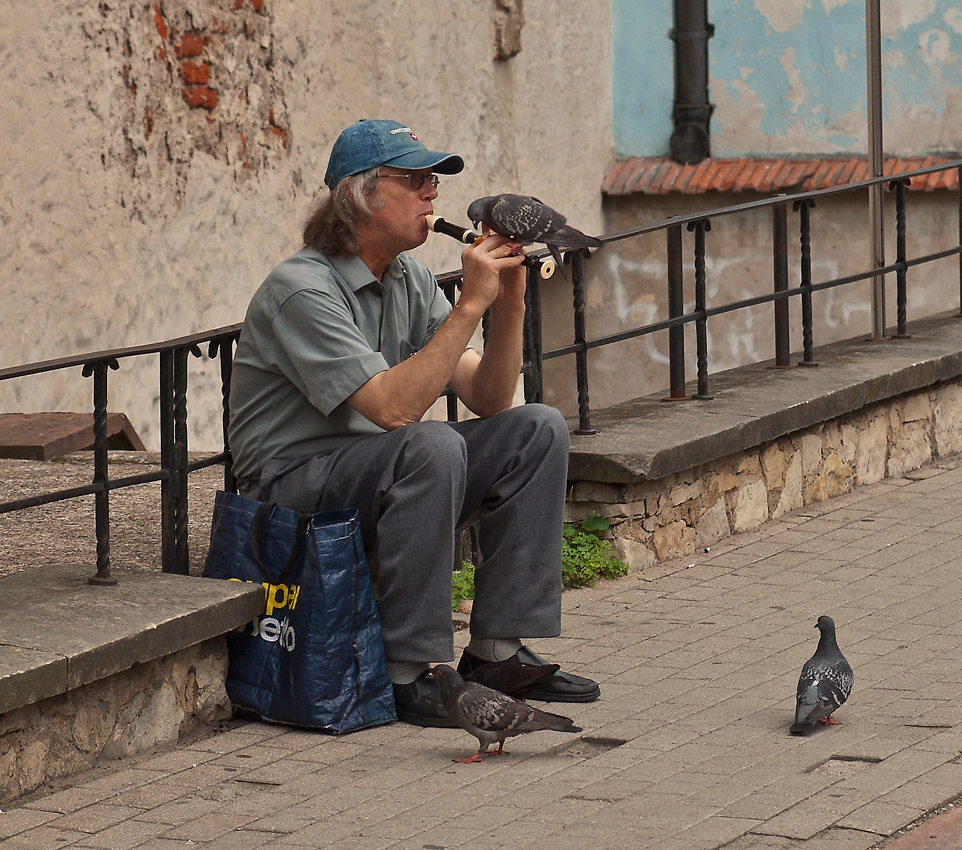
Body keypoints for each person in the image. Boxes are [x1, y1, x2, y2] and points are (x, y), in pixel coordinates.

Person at [227, 119, 600, 727]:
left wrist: (508, 301)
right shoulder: (302, 288)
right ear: (359, 195)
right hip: (290, 493)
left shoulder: (407, 278)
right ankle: (405, 670)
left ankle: (496, 653)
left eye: (435, 181)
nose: (433, 193)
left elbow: (491, 398)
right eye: (416, 180)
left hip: (375, 471)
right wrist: (470, 304)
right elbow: (393, 410)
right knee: (428, 443)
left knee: (537, 428)